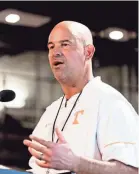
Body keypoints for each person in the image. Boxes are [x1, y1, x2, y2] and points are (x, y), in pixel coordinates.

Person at [23, 21, 139, 174]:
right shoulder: (51, 111)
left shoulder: (110, 101)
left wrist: (76, 163)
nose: (55, 52)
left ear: (88, 52)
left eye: (65, 44)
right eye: (51, 47)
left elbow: (132, 170)